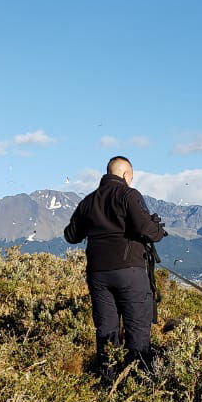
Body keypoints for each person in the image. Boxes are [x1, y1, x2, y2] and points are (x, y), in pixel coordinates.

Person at [63, 155, 167, 373]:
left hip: (98, 274)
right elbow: (145, 229)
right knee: (137, 327)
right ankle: (139, 380)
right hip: (129, 270)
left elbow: (71, 235)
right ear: (126, 175)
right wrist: (158, 230)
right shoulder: (129, 194)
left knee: (106, 329)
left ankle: (108, 380)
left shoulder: (89, 201)